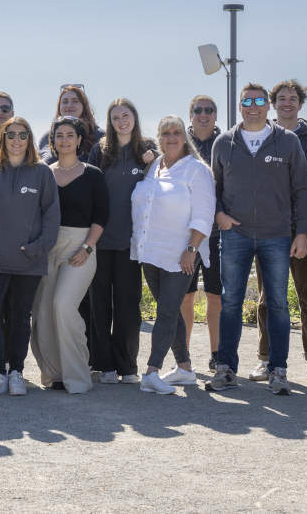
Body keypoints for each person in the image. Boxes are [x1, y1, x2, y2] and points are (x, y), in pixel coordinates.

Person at [207, 84, 307, 395]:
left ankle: (278, 370)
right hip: (235, 234)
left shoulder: (288, 142)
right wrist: (219, 215)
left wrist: (302, 232)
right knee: (230, 303)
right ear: (239, 106)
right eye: (247, 101)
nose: (253, 106)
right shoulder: (224, 143)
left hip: (276, 235)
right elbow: (212, 188)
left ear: (268, 106)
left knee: (278, 304)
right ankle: (225, 370)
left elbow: (302, 191)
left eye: (259, 101)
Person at [249, 80, 307, 385]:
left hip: (306, 229)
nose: (286, 103)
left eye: (292, 98)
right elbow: (257, 181)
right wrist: (296, 180)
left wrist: (278, 177)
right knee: (268, 300)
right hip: (269, 229)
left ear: (300, 103)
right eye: (281, 98)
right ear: (272, 103)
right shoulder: (260, 137)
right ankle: (264, 360)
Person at [0, 117, 60, 397]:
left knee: (21, 317)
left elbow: (52, 217)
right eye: (11, 135)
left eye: (23, 135)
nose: (17, 140)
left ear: (30, 139)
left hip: (29, 262)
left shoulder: (42, 173)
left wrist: (38, 248)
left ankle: (16, 373)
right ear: (3, 139)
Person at [131, 115, 215, 394]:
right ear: (159, 137)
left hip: (181, 254)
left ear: (184, 137)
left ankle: (151, 371)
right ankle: (185, 369)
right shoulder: (154, 166)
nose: (171, 137)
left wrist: (191, 249)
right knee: (171, 310)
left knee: (166, 311)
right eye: (165, 133)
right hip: (150, 251)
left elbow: (205, 214)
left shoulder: (197, 170)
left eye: (176, 132)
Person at [30, 116, 108, 394]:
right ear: (53, 140)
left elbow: (101, 217)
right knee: (42, 311)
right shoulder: (44, 173)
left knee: (63, 305)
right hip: (49, 247)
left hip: (81, 247)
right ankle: (54, 375)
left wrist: (87, 248)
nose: (64, 140)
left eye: (69, 135)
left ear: (78, 140)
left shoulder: (93, 174)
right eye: (59, 135)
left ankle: (77, 376)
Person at [86, 98, 155, 384]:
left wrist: (154, 161)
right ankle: (104, 366)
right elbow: (89, 190)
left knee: (128, 306)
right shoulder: (100, 152)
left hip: (132, 244)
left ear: (135, 118)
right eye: (115, 118)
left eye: (125, 116)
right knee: (99, 305)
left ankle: (127, 366)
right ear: (110, 123)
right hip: (101, 241)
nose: (121, 121)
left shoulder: (147, 152)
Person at [184, 95, 223, 370]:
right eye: (198, 110)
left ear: (216, 115)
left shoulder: (227, 144)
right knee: (185, 296)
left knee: (215, 295)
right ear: (190, 115)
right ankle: (182, 356)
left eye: (209, 110)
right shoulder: (179, 145)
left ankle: (217, 354)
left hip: (219, 232)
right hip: (185, 234)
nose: (203, 114)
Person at [39, 85, 104, 162]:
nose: (69, 105)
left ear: (84, 106)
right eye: (65, 102)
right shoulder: (47, 138)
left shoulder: (100, 136)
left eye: (75, 101)